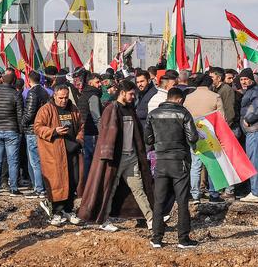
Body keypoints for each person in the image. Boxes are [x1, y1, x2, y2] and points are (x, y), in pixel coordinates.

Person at [78, 80, 155, 231]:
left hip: (131, 157)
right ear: (122, 93)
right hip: (115, 159)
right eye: (131, 94)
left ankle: (151, 219)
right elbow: (106, 133)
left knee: (139, 189)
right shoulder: (111, 109)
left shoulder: (130, 109)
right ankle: (103, 220)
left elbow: (137, 134)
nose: (133, 97)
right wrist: (108, 155)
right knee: (108, 189)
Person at [144, 87, 199, 248]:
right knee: (182, 200)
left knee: (159, 200)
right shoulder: (183, 113)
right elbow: (193, 137)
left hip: (160, 161)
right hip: (179, 161)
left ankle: (156, 238)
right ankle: (183, 239)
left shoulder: (153, 114)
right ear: (180, 100)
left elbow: (148, 140)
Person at [33, 84, 83, 225]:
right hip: (54, 154)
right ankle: (56, 212)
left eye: (66, 97)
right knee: (57, 183)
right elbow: (37, 127)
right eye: (61, 98)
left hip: (72, 151)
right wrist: (54, 131)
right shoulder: (46, 109)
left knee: (73, 181)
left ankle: (68, 210)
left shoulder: (73, 109)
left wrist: (79, 141)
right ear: (54, 95)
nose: (63, 100)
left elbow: (81, 126)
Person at [183, 75, 225, 202]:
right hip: (210, 134)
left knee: (196, 165)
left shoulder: (188, 98)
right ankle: (214, 194)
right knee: (212, 164)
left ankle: (195, 194)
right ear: (210, 84)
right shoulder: (215, 96)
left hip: (194, 134)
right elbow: (222, 118)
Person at [0, 71, 24, 196]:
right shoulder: (16, 94)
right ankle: (13, 188)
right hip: (12, 130)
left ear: (2, 80)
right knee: (12, 160)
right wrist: (19, 130)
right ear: (13, 81)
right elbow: (20, 114)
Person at [237, 68, 258, 202]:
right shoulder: (252, 91)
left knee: (254, 162)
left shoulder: (255, 91)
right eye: (242, 79)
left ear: (251, 79)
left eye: (246, 79)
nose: (244, 82)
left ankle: (256, 192)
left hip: (256, 131)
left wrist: (248, 119)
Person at [21, 70, 49, 199]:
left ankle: (39, 189)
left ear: (28, 80)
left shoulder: (32, 93)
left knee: (35, 162)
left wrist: (22, 123)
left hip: (33, 130)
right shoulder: (44, 92)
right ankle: (41, 186)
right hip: (42, 128)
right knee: (40, 160)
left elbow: (30, 112)